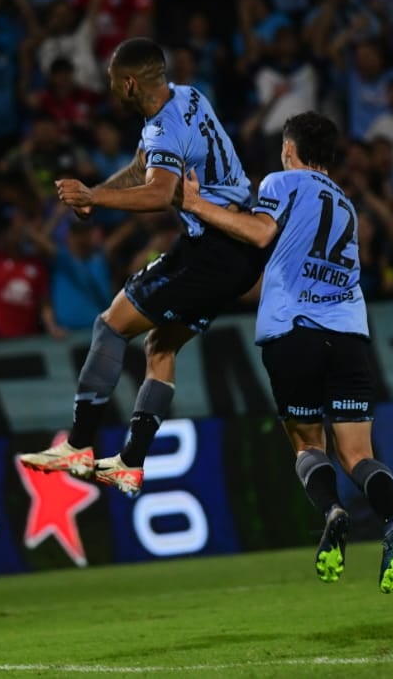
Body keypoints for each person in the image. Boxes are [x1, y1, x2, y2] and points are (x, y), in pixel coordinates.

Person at [180, 111, 393, 590]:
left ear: (290, 150)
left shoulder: (282, 183)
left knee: (308, 445)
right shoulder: (348, 206)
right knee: (358, 455)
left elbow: (261, 232)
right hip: (349, 338)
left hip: (294, 334)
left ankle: (333, 511)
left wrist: (196, 203)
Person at [20, 38, 264, 497]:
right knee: (160, 347)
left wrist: (93, 197)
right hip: (240, 252)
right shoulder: (189, 96)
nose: (111, 89)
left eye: (113, 82)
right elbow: (140, 168)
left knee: (110, 326)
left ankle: (77, 445)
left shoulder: (161, 129)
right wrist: (98, 193)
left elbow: (156, 192)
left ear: (130, 82)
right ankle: (129, 463)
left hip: (212, 249)